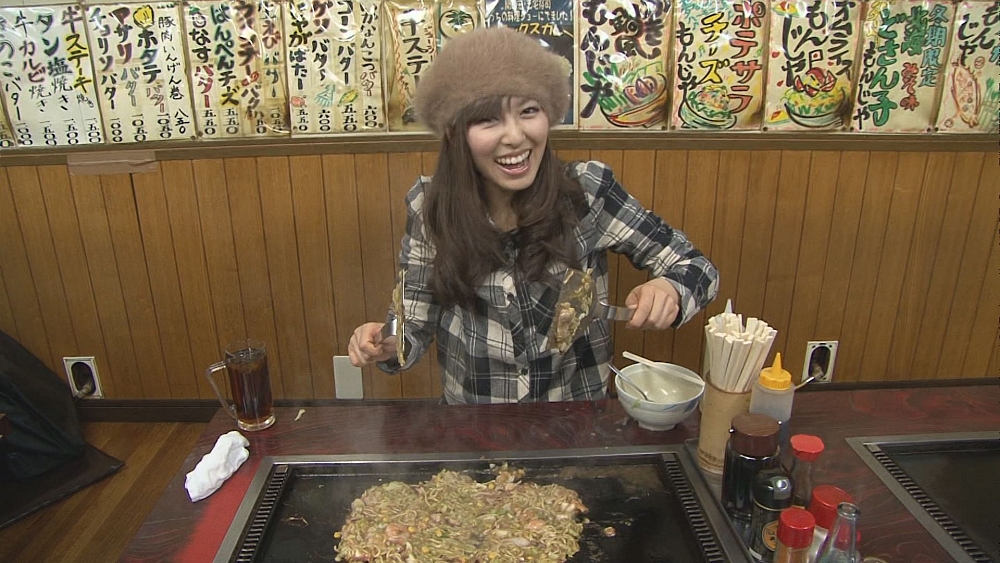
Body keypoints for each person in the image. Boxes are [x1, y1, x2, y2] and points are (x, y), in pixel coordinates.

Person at [348, 26, 719, 404]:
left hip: (577, 420)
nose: (515, 136)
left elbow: (696, 267)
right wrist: (389, 342)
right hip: (473, 421)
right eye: (488, 119)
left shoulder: (588, 192)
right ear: (453, 133)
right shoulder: (431, 206)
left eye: (528, 111)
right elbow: (413, 317)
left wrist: (670, 290)